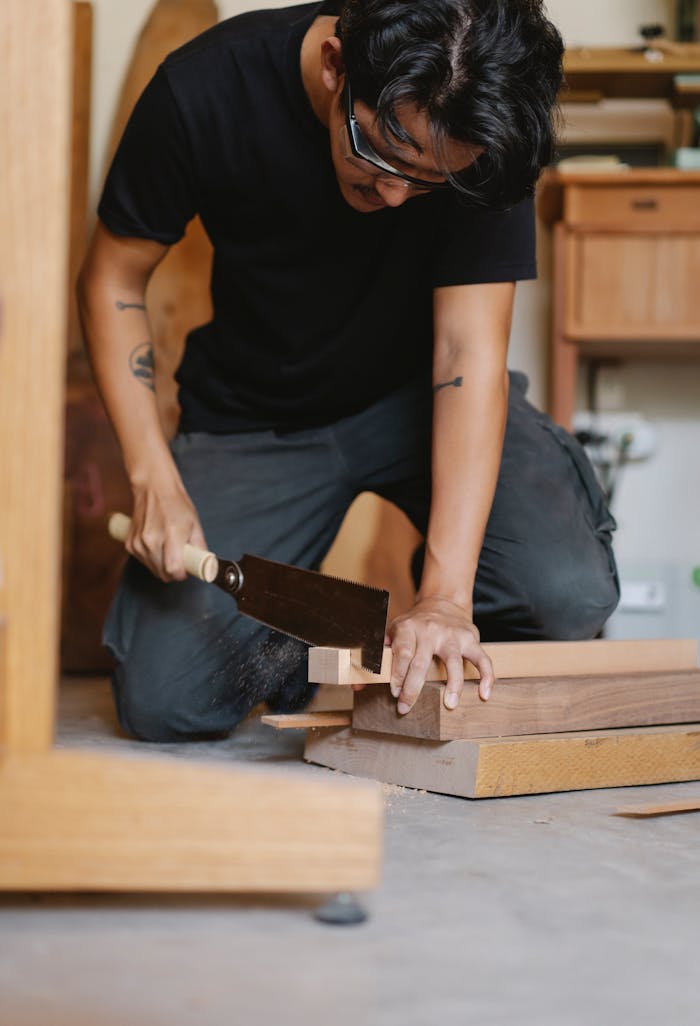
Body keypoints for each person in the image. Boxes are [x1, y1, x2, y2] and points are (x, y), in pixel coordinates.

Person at [78, 0, 619, 743]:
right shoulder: (204, 87)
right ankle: (329, 645)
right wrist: (151, 478)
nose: (394, 195)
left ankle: (438, 643)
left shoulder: (487, 125)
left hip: (420, 403)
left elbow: (467, 354)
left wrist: (447, 598)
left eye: (428, 181)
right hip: (257, 414)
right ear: (336, 66)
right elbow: (113, 277)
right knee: (166, 701)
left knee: (565, 594)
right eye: (383, 154)